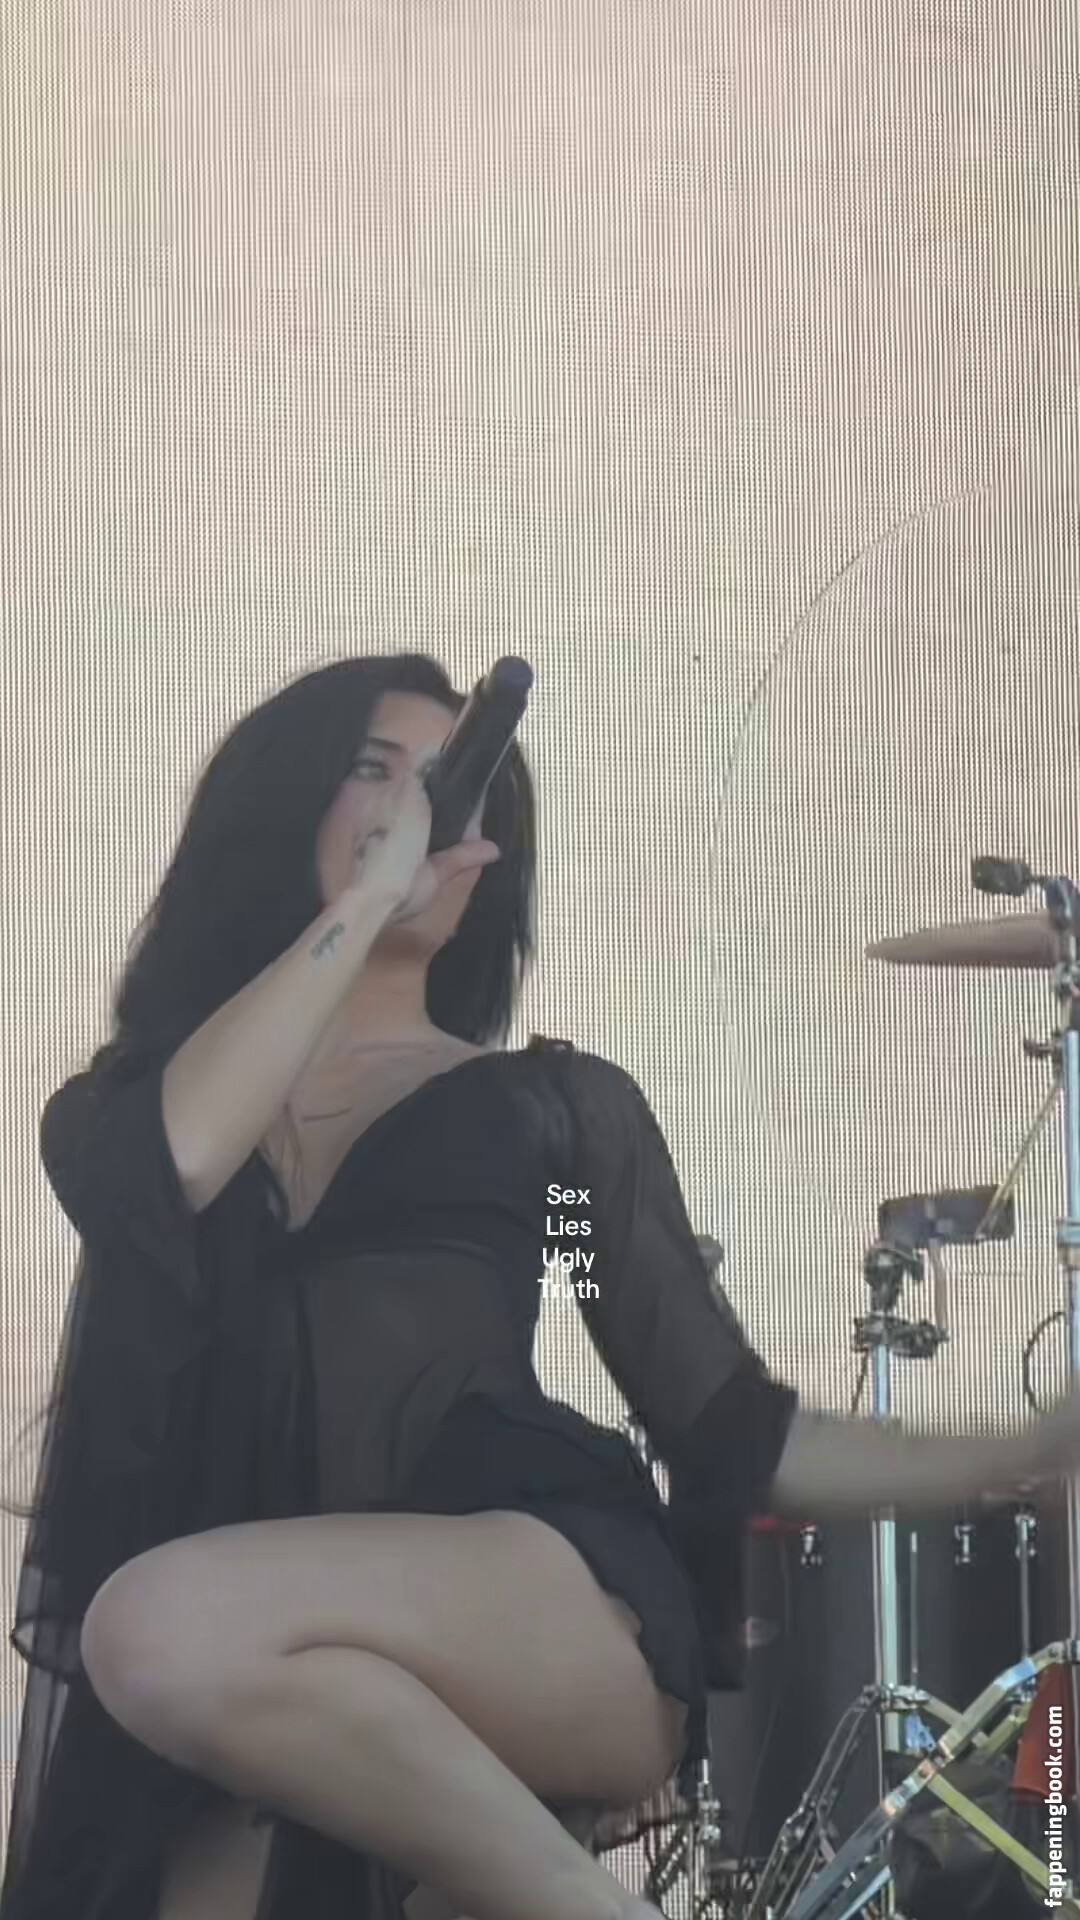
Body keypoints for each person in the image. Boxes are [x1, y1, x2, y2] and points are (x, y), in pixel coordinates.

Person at [4, 652, 1080, 1920]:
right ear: (279, 805)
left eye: (451, 787)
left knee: (153, 1628)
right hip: (252, 1659)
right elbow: (180, 1163)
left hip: (536, 1595)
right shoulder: (122, 1110)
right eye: (375, 771)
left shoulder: (552, 1115)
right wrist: (364, 902)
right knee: (169, 1690)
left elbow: (736, 1431)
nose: (421, 809)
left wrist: (1014, 1450)